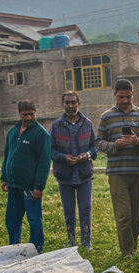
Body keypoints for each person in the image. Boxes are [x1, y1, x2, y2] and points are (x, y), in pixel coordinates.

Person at [96, 79, 139, 259]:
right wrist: (115, 145)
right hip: (117, 173)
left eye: (128, 97)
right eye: (121, 97)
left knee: (137, 216)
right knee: (123, 215)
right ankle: (127, 252)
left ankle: (132, 247)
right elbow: (98, 142)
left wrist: (138, 142)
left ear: (133, 94)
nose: (125, 100)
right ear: (115, 95)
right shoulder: (106, 117)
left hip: (137, 171)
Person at [1, 99, 51, 253]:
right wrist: (4, 177)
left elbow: (44, 162)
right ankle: (14, 248)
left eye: (32, 114)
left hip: (30, 187)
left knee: (34, 220)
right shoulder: (12, 132)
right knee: (12, 220)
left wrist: (39, 186)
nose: (29, 118)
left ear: (35, 112)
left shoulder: (41, 134)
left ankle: (36, 249)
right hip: (13, 185)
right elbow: (7, 155)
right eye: (25, 114)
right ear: (19, 114)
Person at [50, 92, 97, 250]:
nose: (70, 106)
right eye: (67, 103)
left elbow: (94, 147)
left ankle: (86, 243)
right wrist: (64, 157)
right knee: (69, 210)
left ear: (78, 103)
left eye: (73, 102)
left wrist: (88, 155)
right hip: (65, 176)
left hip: (84, 175)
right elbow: (50, 151)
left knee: (85, 209)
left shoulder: (87, 124)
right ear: (62, 104)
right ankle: (71, 241)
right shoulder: (56, 126)